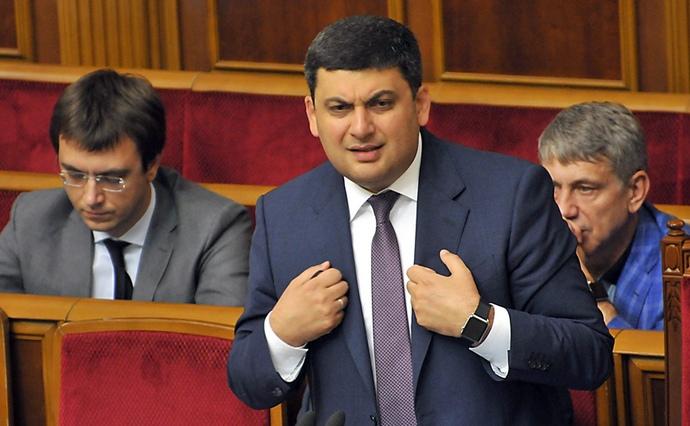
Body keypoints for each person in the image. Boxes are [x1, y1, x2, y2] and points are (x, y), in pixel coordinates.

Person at [227, 15, 613, 425]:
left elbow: (589, 355)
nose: (360, 128)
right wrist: (283, 333)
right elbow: (249, 384)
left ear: (420, 104)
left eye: (381, 104)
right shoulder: (284, 214)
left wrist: (479, 323)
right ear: (312, 114)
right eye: (339, 108)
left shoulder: (511, 195)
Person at [0, 68, 252, 305]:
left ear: (151, 165)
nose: (91, 198)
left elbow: (221, 334)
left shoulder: (214, 228)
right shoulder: (31, 219)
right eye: (75, 175)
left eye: (112, 179)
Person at [539, 101, 687, 330]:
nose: (564, 210)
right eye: (553, 187)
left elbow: (667, 355)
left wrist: (592, 297)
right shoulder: (527, 243)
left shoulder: (681, 268)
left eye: (585, 189)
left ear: (634, 191)